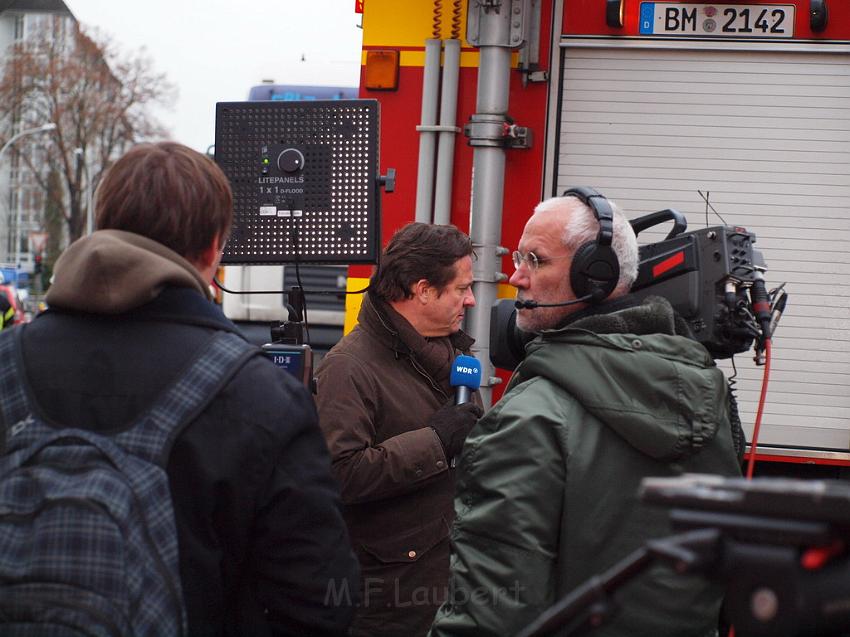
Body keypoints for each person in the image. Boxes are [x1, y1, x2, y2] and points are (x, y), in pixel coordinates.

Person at [5, 142, 359, 636]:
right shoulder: (258, 395)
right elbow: (315, 602)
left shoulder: (7, 364)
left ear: (101, 224)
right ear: (214, 248)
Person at [430, 189, 742, 637]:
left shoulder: (529, 418)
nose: (516, 277)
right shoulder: (709, 394)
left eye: (535, 260)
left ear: (594, 276)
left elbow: (490, 614)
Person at [315, 222, 483, 637]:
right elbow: (339, 474)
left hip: (450, 587)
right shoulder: (348, 368)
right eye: (462, 288)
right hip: (387, 605)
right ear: (423, 290)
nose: (472, 299)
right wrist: (436, 442)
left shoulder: (450, 352)